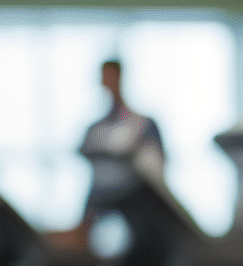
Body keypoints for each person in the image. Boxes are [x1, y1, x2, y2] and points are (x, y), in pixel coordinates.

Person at [50, 59, 166, 250]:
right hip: (101, 200)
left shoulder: (142, 125)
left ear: (119, 78)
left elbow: (157, 166)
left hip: (134, 201)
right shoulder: (95, 129)